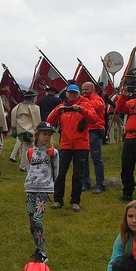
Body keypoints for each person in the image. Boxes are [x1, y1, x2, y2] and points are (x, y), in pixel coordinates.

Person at [46, 84, 91, 212]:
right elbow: (50, 121)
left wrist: (81, 110)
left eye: (74, 93)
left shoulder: (85, 104)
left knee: (78, 175)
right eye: (70, 92)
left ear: (78, 94)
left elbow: (94, 118)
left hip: (81, 145)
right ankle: (57, 200)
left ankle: (75, 201)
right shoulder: (61, 106)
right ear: (66, 94)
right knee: (60, 173)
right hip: (65, 144)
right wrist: (57, 112)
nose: (72, 95)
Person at [23, 121, 59, 264]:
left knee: (38, 219)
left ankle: (43, 252)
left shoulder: (53, 153)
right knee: (32, 221)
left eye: (49, 135)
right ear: (37, 135)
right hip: (30, 188)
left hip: (44, 190)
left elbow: (56, 171)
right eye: (44, 134)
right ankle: (38, 248)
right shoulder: (30, 152)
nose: (47, 137)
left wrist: (50, 185)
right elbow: (28, 168)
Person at [80, 82, 107, 193]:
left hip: (95, 130)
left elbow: (94, 106)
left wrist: (82, 102)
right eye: (83, 89)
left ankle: (100, 184)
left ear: (93, 90)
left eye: (87, 89)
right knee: (84, 158)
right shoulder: (84, 100)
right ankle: (85, 182)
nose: (84, 91)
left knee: (96, 158)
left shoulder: (98, 99)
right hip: (84, 131)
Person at [10, 90, 42, 173]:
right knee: (32, 148)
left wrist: (14, 129)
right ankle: (28, 165)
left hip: (20, 130)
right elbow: (36, 120)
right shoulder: (35, 107)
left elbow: (13, 117)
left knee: (25, 148)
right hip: (30, 130)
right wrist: (38, 130)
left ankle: (23, 166)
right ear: (31, 98)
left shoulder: (17, 107)